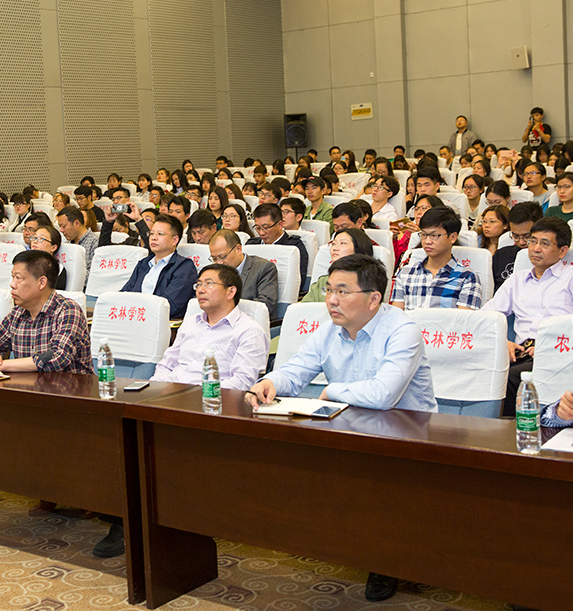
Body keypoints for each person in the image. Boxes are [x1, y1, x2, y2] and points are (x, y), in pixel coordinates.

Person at [246, 254, 436, 603]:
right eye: (329, 290)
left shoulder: (402, 330)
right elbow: (297, 370)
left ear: (373, 298)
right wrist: (270, 382)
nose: (331, 300)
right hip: (350, 424)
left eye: (343, 291)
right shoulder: (329, 329)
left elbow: (384, 394)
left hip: (406, 432)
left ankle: (385, 560)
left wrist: (332, 391)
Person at [482, 217, 573, 417]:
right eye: (533, 241)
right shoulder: (517, 279)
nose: (535, 249)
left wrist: (549, 345)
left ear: (562, 251)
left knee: (510, 378)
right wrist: (503, 341)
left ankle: (511, 430)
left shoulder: (570, 277)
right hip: (520, 354)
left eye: (545, 243)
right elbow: (486, 317)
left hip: (559, 354)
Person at [0, 250, 91, 373]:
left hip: (67, 385)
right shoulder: (17, 314)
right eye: (12, 277)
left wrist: (0, 365)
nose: (12, 284)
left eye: (18, 278)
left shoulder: (68, 310)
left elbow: (57, 357)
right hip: (28, 384)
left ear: (41, 282)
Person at [153, 263, 268, 389]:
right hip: (169, 392)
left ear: (230, 292)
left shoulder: (249, 331)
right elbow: (166, 365)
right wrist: (157, 388)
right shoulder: (191, 322)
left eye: (209, 284)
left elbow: (242, 382)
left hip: (208, 397)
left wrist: (199, 394)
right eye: (198, 284)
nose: (200, 290)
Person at [391, 207, 481, 311]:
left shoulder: (467, 277)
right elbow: (397, 315)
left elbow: (464, 319)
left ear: (453, 237)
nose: (427, 241)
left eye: (434, 235)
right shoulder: (406, 273)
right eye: (424, 235)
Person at [120, 214, 196, 319]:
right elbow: (124, 293)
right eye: (151, 233)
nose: (153, 238)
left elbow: (170, 306)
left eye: (160, 234)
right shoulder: (143, 264)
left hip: (158, 322)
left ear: (175, 240)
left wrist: (137, 310)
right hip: (134, 317)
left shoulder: (184, 267)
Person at [208, 229, 278, 316]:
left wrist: (226, 309)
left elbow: (265, 305)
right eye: (214, 259)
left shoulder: (263, 268)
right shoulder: (214, 271)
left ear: (238, 249)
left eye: (223, 257)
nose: (219, 263)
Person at [302, 228, 373, 303]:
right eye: (333, 244)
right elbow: (304, 308)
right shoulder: (323, 281)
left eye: (343, 243)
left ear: (358, 248)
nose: (335, 248)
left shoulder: (368, 282)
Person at [247, 203, 309, 285]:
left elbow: (297, 282)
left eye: (266, 227)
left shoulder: (294, 246)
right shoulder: (251, 245)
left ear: (280, 224)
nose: (261, 233)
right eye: (258, 228)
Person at [492, 202, 542, 292]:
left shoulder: (549, 258)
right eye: (515, 236)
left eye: (527, 236)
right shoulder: (501, 255)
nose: (521, 242)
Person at [56, 206, 98, 282]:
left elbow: (93, 274)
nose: (61, 230)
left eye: (63, 226)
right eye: (60, 227)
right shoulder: (66, 245)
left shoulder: (95, 242)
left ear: (76, 223)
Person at [29, 225, 67, 290]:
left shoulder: (58, 270)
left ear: (53, 247)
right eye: (34, 237)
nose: (35, 241)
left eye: (41, 239)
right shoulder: (24, 263)